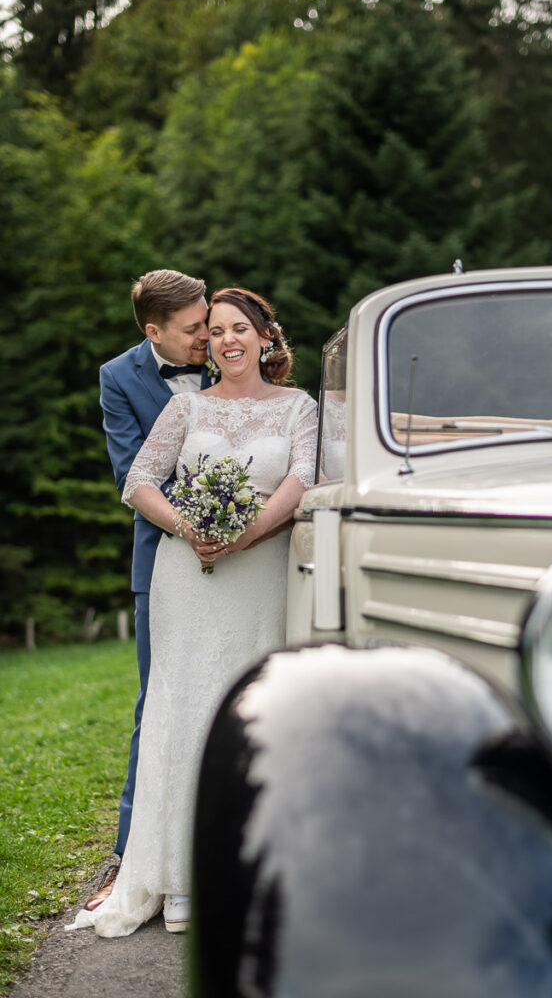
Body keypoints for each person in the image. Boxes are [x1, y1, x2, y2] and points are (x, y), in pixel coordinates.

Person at [69, 287, 318, 936]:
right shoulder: (186, 409)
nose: (227, 339)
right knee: (181, 711)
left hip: (261, 575)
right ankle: (178, 877)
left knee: (252, 713)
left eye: (240, 328)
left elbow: (302, 480)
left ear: (266, 338)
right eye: (215, 330)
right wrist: (188, 527)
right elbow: (138, 480)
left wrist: (249, 533)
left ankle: (249, 863)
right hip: (188, 574)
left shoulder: (300, 407)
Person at [84, 269, 212, 912]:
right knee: (154, 703)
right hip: (160, 559)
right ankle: (130, 854)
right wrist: (200, 526)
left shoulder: (235, 355)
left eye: (208, 320)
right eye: (193, 329)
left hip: (253, 560)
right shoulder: (118, 378)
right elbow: (130, 474)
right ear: (152, 331)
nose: (207, 337)